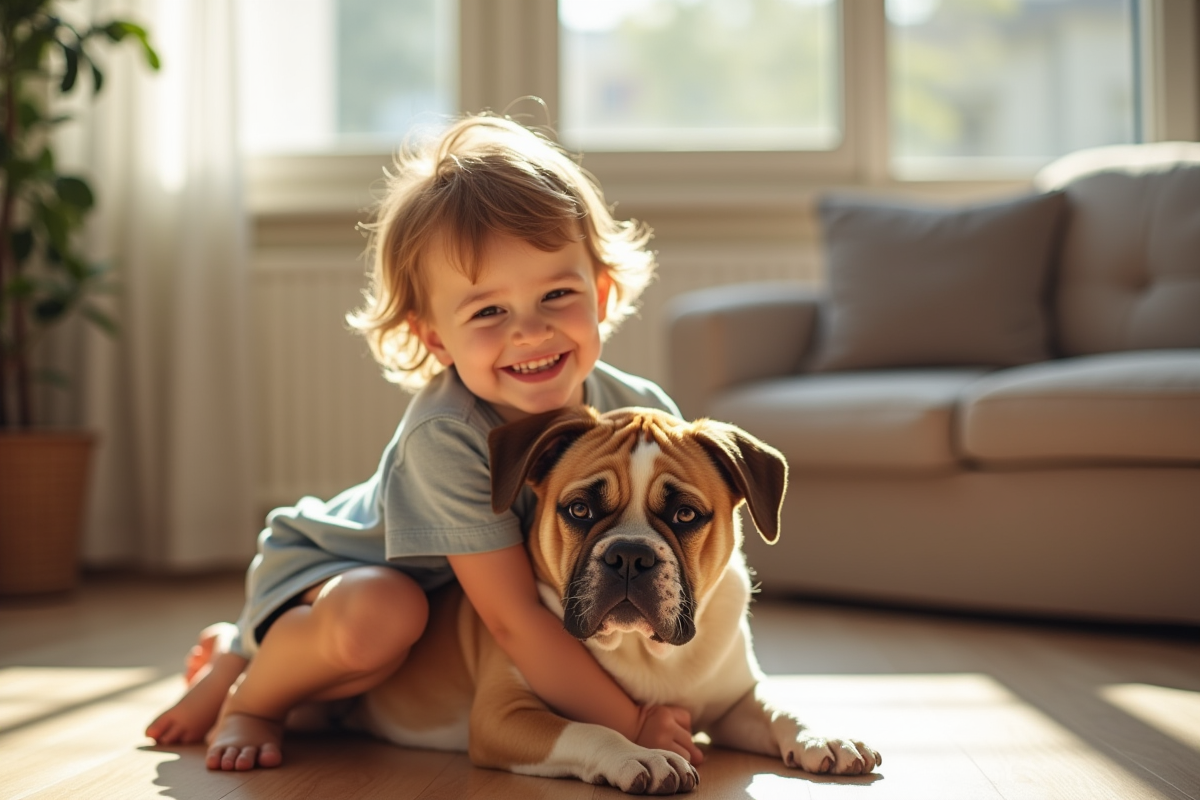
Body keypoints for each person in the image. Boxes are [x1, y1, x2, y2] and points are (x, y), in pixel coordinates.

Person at [145, 112, 703, 772]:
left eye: (557, 293)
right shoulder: (448, 434)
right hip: (336, 568)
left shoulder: (641, 414)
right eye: (489, 311)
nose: (530, 331)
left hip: (440, 607)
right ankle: (248, 695)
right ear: (435, 336)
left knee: (401, 626)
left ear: (601, 293)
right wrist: (631, 721)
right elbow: (513, 620)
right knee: (385, 614)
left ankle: (238, 646)